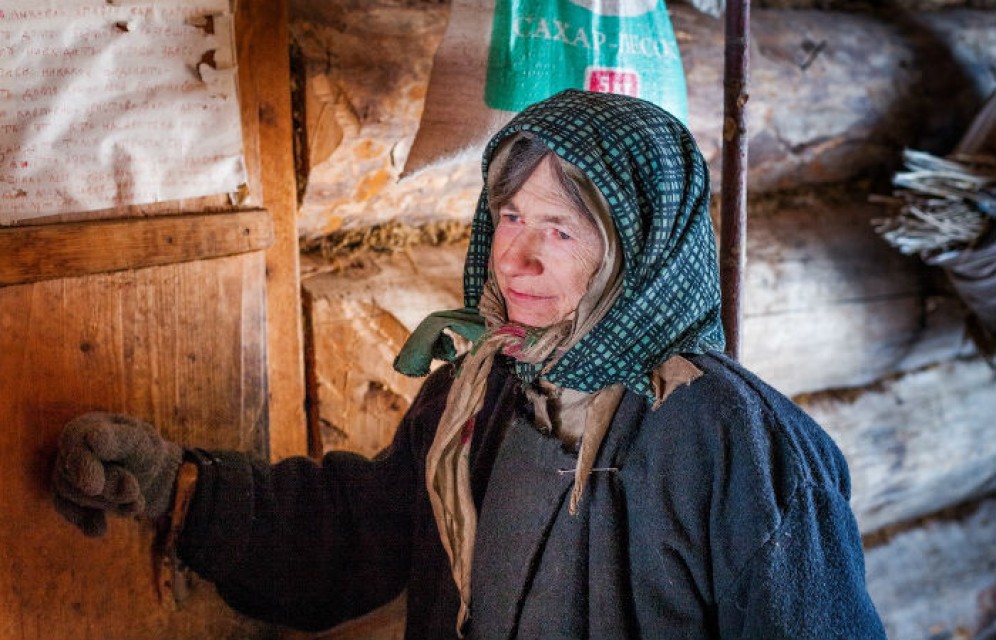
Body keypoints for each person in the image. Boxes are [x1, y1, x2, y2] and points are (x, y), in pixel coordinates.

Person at [51, 89, 886, 639]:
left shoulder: (739, 443)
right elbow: (359, 533)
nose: (516, 258)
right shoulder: (484, 389)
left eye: (561, 228)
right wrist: (178, 487)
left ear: (641, 247)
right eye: (510, 217)